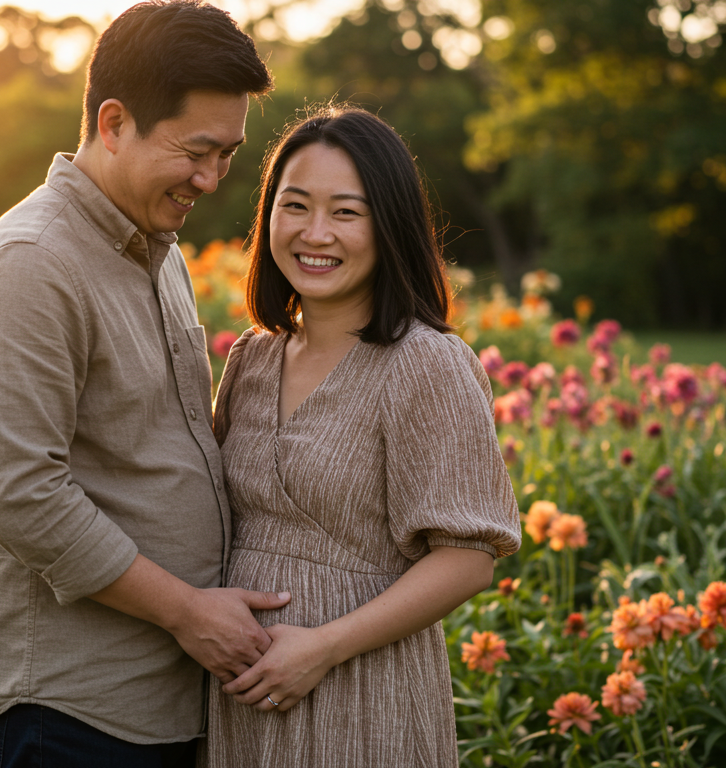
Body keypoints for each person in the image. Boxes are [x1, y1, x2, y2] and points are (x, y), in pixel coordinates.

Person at [0, 3, 289, 766]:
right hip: (70, 705)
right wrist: (187, 612)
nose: (212, 178)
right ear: (112, 122)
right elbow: (21, 493)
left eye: (228, 153)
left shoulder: (157, 246)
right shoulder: (33, 263)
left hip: (157, 694)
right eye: (196, 151)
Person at [204, 106, 523, 767]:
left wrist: (323, 647)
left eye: (346, 212)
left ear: (389, 226)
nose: (315, 233)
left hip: (362, 692)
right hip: (241, 699)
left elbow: (469, 557)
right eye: (295, 206)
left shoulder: (426, 363)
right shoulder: (252, 360)